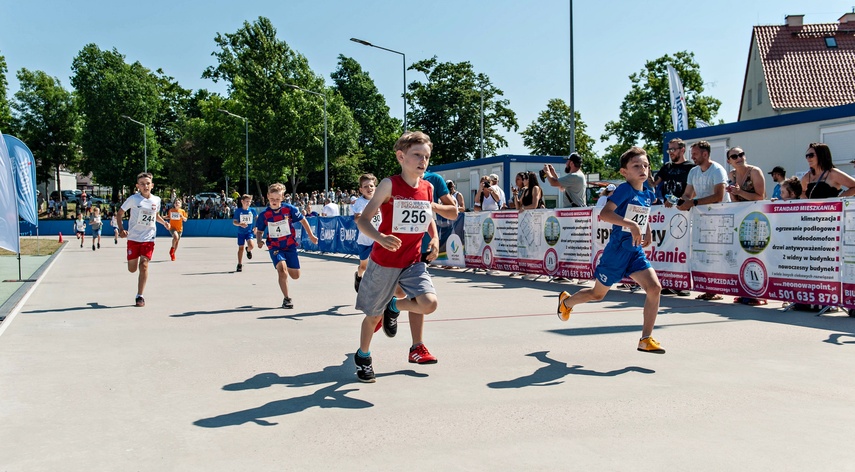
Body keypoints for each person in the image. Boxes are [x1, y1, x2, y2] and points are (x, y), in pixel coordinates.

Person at [556, 146, 665, 354]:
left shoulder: (648, 193)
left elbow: (642, 215)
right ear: (624, 172)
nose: (643, 169)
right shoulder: (624, 189)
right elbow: (605, 214)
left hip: (634, 251)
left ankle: (645, 339)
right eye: (636, 166)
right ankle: (566, 302)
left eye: (646, 165)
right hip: (616, 251)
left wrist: (646, 231)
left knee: (654, 288)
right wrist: (632, 226)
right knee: (597, 295)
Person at [353, 131, 441, 383]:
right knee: (372, 317)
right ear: (401, 156)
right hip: (385, 262)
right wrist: (380, 238)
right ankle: (363, 356)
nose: (422, 161)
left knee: (429, 303)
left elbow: (428, 217)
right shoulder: (389, 185)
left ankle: (395, 306)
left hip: (412, 261)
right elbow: (365, 221)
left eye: (426, 156)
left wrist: (433, 238)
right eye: (417, 155)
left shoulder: (428, 187)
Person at [677, 140, 730, 301]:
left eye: (695, 154)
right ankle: (708, 288)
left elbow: (718, 196)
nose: (692, 157)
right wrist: (680, 201)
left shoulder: (717, 170)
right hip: (702, 217)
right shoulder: (693, 171)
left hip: (721, 217)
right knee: (703, 253)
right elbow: (688, 193)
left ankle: (717, 288)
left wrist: (692, 202)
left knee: (717, 254)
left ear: (705, 154)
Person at [254, 183, 319, 309]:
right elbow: (260, 231)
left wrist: (311, 235)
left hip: (289, 246)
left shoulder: (289, 209)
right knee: (282, 270)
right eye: (272, 199)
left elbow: (303, 220)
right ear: (267, 197)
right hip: (274, 246)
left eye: (277, 199)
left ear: (282, 198)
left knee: (295, 276)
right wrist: (259, 240)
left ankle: (288, 265)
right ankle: (287, 298)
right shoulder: (264, 215)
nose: (274, 201)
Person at [116, 172, 169, 308]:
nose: (145, 186)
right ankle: (133, 269)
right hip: (133, 238)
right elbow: (120, 213)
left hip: (149, 238)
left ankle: (140, 296)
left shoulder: (156, 200)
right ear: (137, 186)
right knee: (132, 269)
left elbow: (155, 215)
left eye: (147, 183)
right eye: (142, 184)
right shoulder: (133, 199)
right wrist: (121, 229)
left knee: (144, 265)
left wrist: (164, 223)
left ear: (152, 185)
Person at [351, 174, 380, 292]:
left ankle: (376, 288)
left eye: (371, 186)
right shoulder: (360, 202)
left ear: (376, 187)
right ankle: (358, 276)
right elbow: (357, 219)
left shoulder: (381, 199)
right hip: (365, 240)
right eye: (366, 186)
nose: (369, 188)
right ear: (361, 190)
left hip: (378, 238)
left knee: (378, 265)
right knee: (363, 266)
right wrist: (370, 214)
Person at [654, 138, 695, 208]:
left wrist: (676, 201)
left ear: (682, 150)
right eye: (669, 150)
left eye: (673, 149)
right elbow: (654, 184)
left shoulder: (692, 168)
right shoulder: (666, 167)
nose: (670, 152)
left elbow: (695, 191)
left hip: (683, 209)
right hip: (665, 209)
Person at [232, 194, 257, 273]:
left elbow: (257, 219)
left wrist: (256, 227)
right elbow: (234, 222)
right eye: (246, 201)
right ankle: (239, 264)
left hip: (249, 232)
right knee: (241, 248)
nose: (248, 203)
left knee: (251, 245)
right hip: (241, 232)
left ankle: (248, 250)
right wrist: (240, 224)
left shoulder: (252, 210)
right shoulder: (238, 211)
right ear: (242, 201)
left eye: (249, 202)